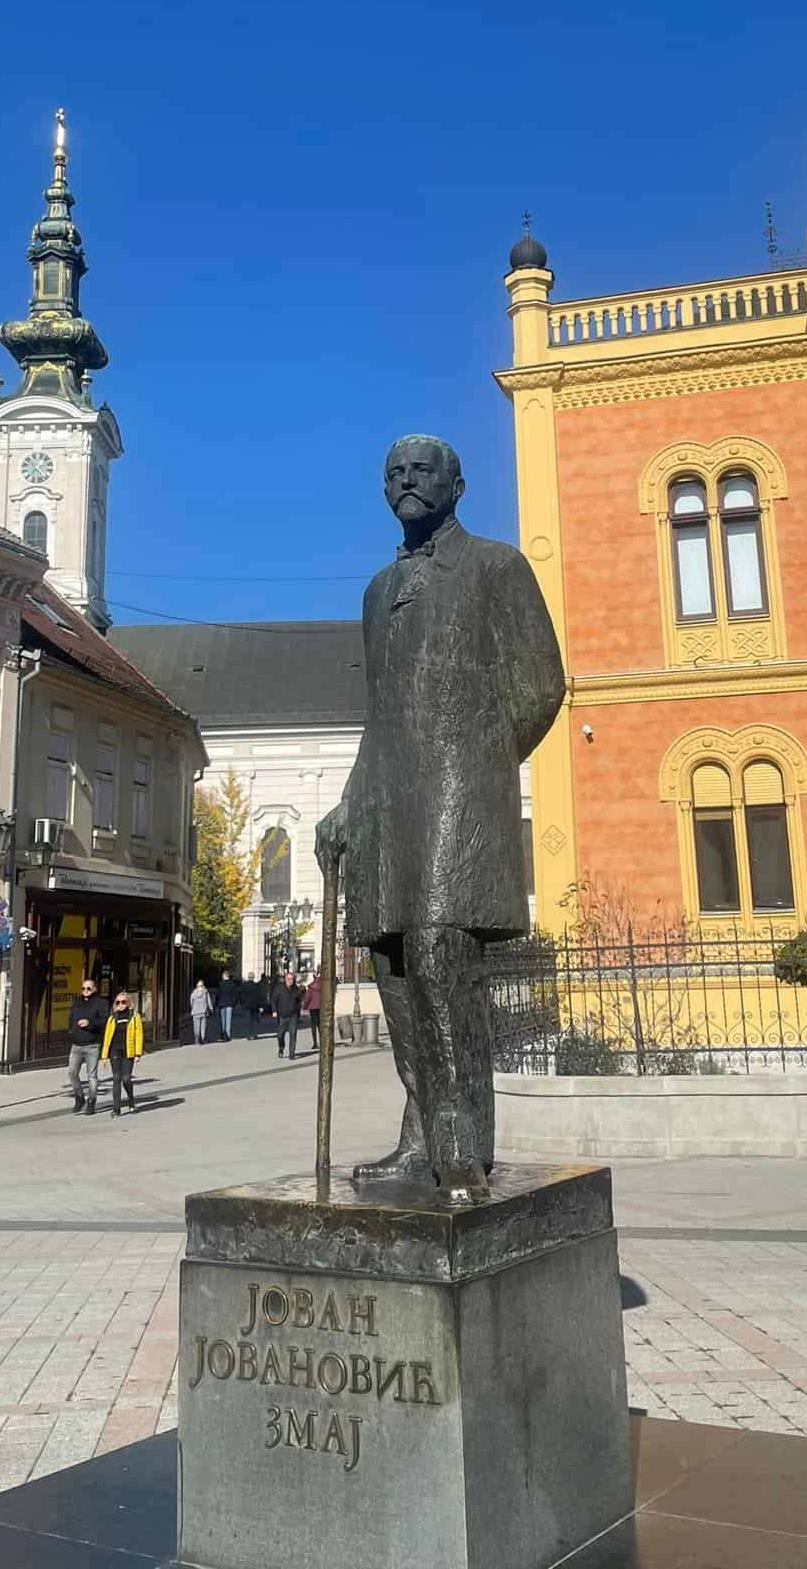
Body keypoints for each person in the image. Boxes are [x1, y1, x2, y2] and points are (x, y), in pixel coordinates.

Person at [316, 434, 564, 1202]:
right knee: (392, 966)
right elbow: (380, 715)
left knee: (440, 956)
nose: (405, 482)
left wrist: (477, 760)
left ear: (457, 485)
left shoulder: (495, 567)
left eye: (422, 471)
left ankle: (463, 1148)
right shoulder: (377, 591)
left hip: (457, 795)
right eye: (392, 473)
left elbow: (542, 684)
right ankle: (420, 1135)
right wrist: (348, 803)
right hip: (388, 802)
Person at [67, 976, 109, 1116]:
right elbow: (71, 1017)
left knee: (92, 1076)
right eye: (83, 988)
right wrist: (71, 1031)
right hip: (76, 1045)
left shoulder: (101, 1003)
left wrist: (89, 1023)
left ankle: (91, 1102)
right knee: (72, 1073)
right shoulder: (77, 1002)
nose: (85, 991)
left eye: (88, 988)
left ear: (95, 989)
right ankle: (79, 1098)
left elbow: (104, 1021)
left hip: (92, 1045)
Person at [101, 990, 143, 1117]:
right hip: (115, 1050)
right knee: (116, 1078)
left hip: (128, 1051)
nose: (120, 1004)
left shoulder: (134, 1017)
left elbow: (139, 1035)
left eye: (123, 1002)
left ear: (129, 1003)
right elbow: (107, 1037)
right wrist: (104, 1056)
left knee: (126, 1079)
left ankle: (131, 1100)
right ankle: (116, 1109)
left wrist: (137, 1053)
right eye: (118, 1002)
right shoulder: (112, 1018)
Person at [272, 967, 304, 1060]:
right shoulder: (279, 988)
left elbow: (299, 1000)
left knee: (293, 1034)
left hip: (293, 1015)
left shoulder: (295, 988)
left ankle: (292, 1054)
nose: (291, 981)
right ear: (285, 979)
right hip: (282, 1015)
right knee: (280, 1035)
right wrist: (274, 1011)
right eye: (289, 979)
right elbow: (273, 1000)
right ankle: (281, 1047)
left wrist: (299, 1010)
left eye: (292, 979)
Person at [216, 970, 238, 1042]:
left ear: (224, 976)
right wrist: (234, 1003)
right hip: (229, 1004)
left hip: (222, 1004)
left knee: (223, 1020)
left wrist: (216, 1004)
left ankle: (222, 1034)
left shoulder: (221, 984)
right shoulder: (232, 984)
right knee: (228, 1020)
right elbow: (235, 994)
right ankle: (228, 1035)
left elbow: (218, 995)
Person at [304, 969, 323, 1051]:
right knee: (320, 1025)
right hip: (321, 1007)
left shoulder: (311, 987)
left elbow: (307, 998)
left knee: (313, 1025)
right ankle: (322, 1042)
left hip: (312, 1008)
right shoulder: (323, 986)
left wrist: (304, 1007)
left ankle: (315, 1043)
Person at [190, 977, 212, 1047]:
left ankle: (197, 1039)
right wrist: (211, 1008)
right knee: (203, 1026)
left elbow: (191, 1002)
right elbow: (209, 1001)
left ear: (197, 986)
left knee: (196, 1026)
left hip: (195, 1012)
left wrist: (193, 1008)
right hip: (203, 1011)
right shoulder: (205, 992)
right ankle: (203, 1038)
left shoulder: (193, 993)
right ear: (203, 985)